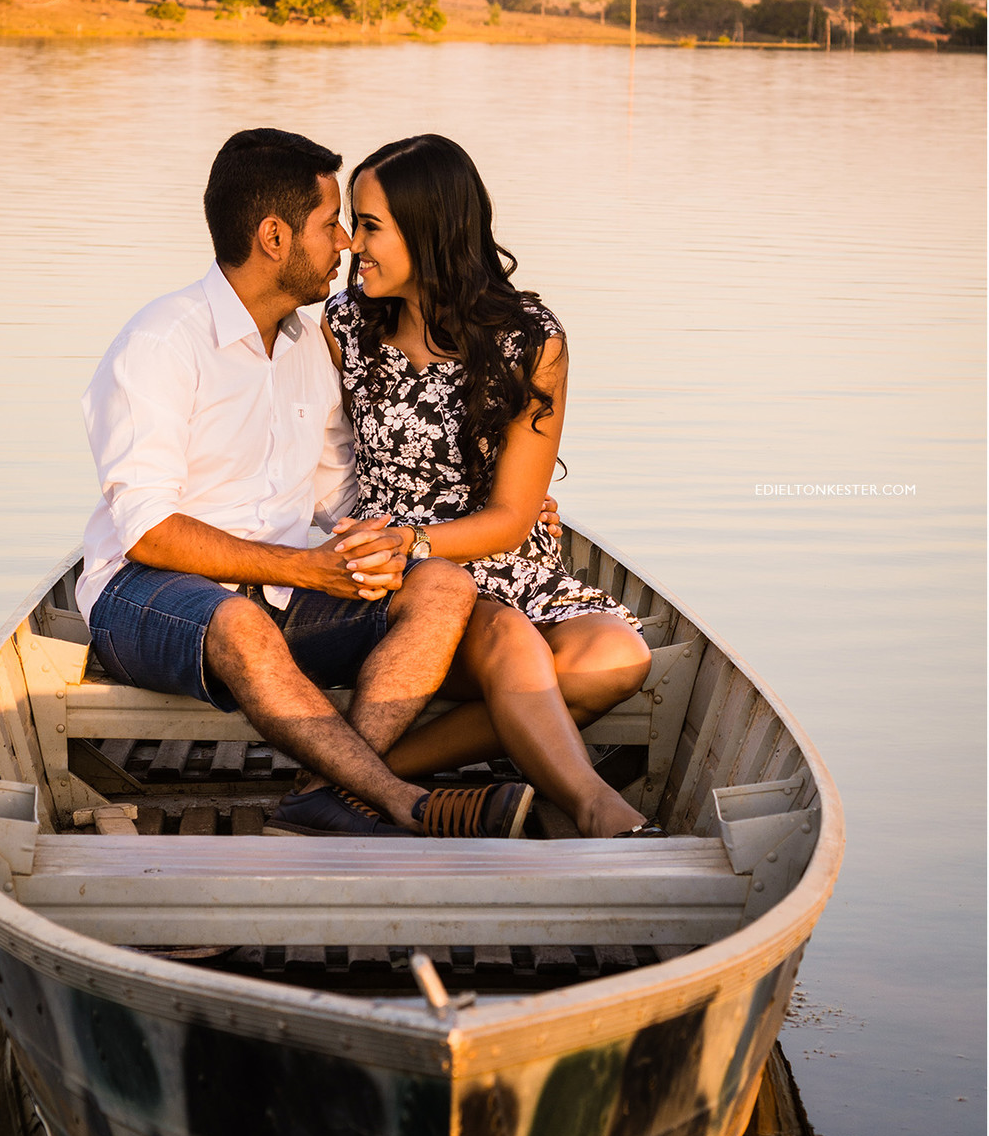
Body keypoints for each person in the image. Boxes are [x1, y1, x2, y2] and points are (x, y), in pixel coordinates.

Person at [75, 127, 533, 840]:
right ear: (273, 237)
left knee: (442, 586)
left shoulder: (307, 345)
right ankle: (399, 801)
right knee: (239, 622)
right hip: (145, 596)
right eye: (329, 225)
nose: (347, 242)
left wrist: (425, 535)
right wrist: (304, 569)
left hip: (287, 591)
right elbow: (148, 529)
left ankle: (321, 793)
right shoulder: (162, 344)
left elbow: (337, 497)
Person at [322, 133, 656, 838]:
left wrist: (412, 533)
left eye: (371, 225)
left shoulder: (531, 341)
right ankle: (595, 805)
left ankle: (348, 778)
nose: (353, 244)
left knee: (614, 658)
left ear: (430, 228)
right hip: (410, 584)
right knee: (507, 636)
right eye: (353, 223)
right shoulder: (342, 329)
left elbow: (510, 517)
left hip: (505, 559)